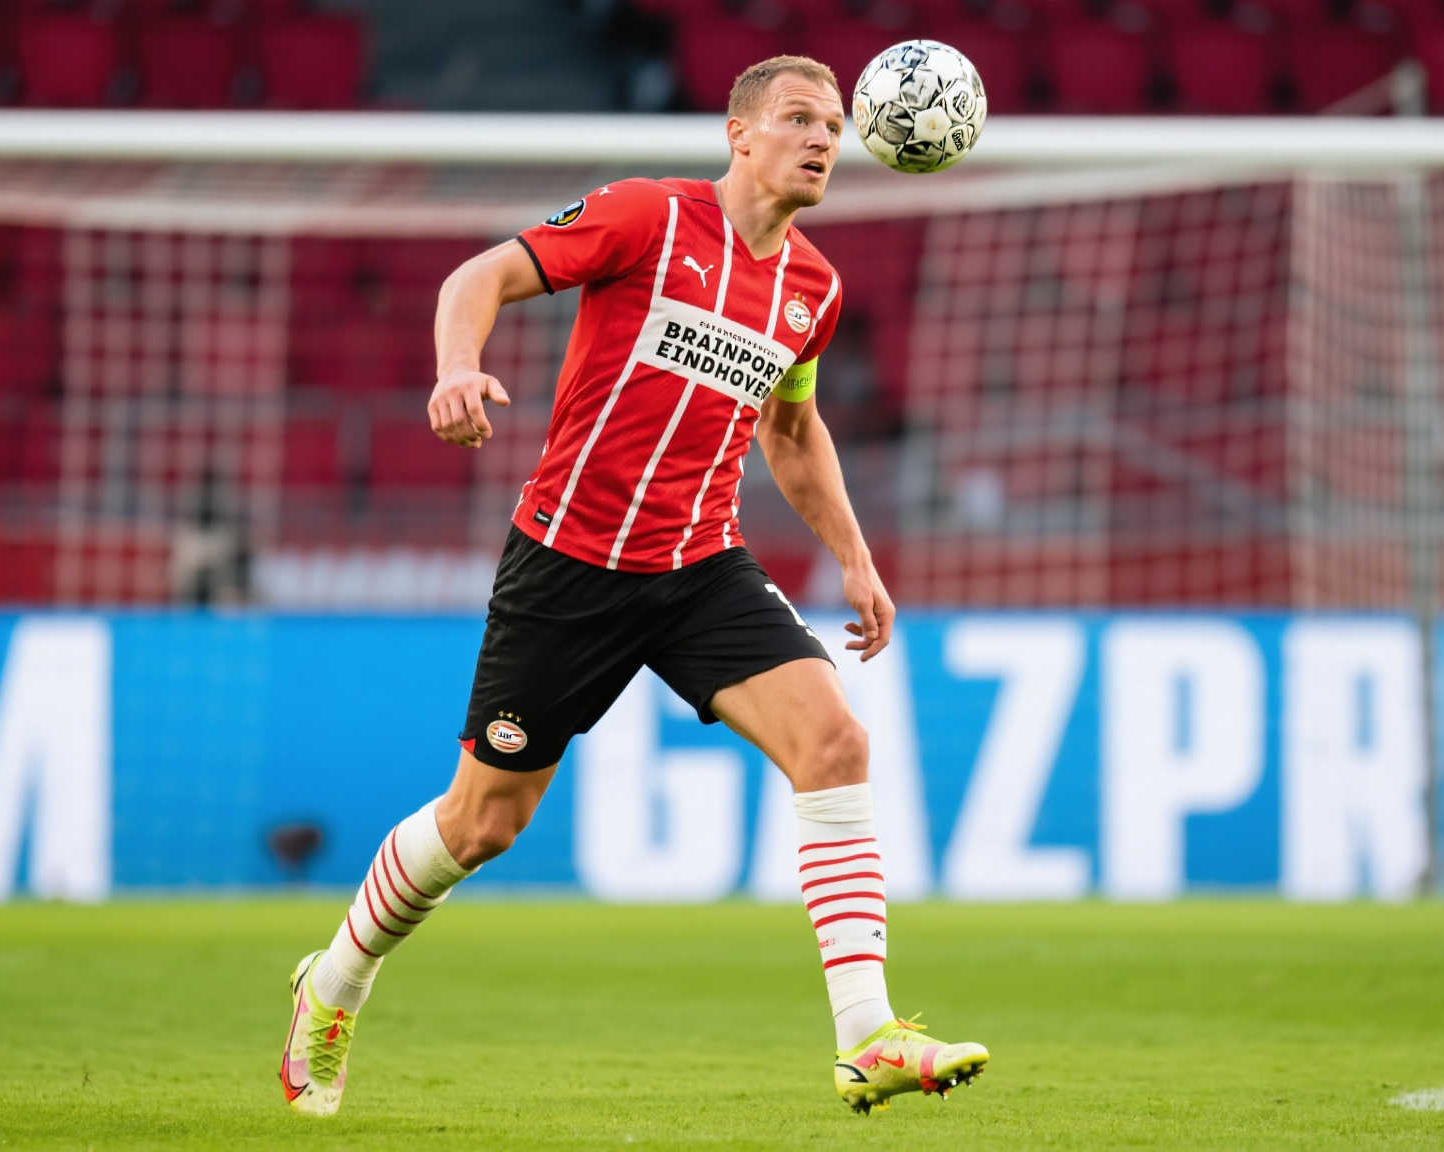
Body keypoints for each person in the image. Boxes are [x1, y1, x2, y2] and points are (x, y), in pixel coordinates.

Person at [279, 55, 987, 1118]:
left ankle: (867, 1036)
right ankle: (334, 980)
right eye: (799, 118)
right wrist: (456, 367)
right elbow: (475, 278)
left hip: (698, 564)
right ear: (738, 133)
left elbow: (791, 429)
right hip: (568, 562)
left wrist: (854, 554)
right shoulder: (643, 216)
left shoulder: (813, 289)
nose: (822, 139)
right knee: (482, 824)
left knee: (835, 742)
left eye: (835, 125)